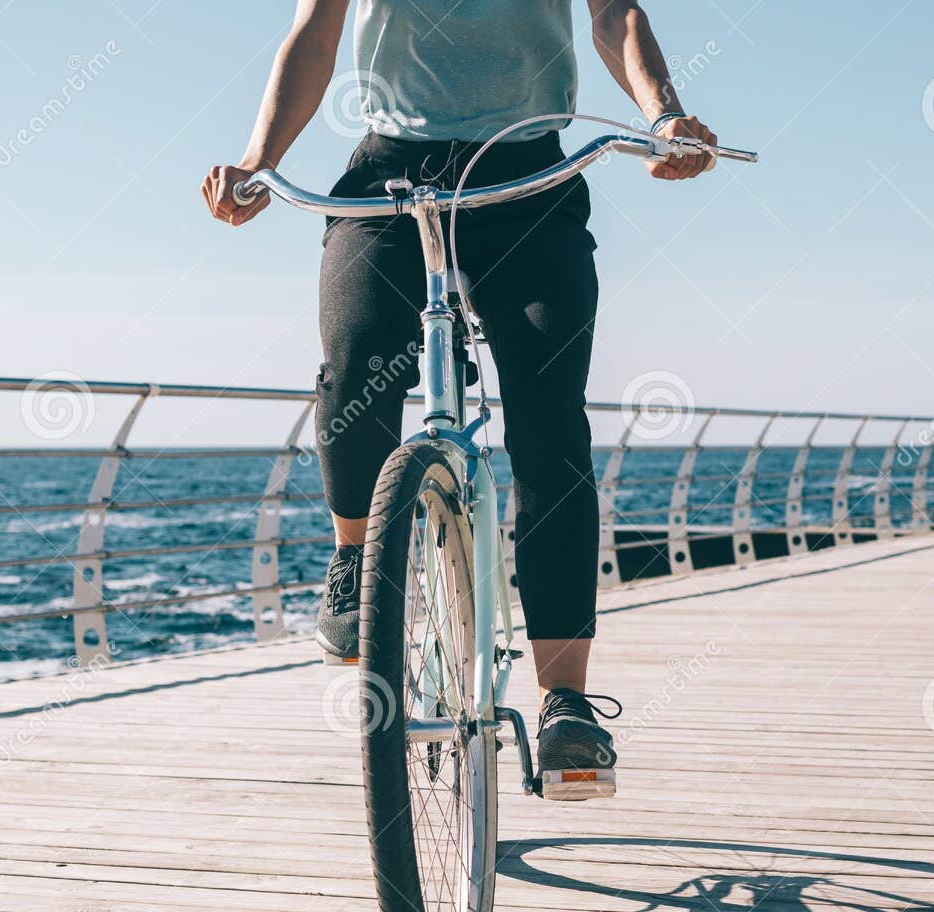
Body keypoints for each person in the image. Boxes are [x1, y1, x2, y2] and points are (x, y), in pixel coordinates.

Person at [202, 1, 719, 794]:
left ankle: (565, 701)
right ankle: (352, 557)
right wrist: (257, 157)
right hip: (391, 171)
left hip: (530, 176)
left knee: (550, 422)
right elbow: (314, 34)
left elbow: (613, 12)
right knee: (355, 356)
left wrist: (664, 114)